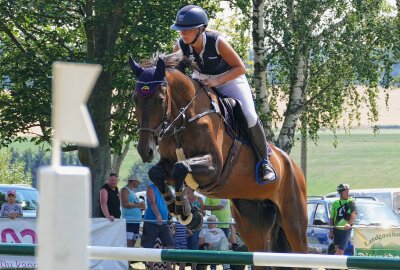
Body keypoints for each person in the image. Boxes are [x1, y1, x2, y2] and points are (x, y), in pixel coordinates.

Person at [171, 4, 276, 183]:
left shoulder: (217, 42)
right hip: (202, 81)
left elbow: (240, 68)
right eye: (180, 30)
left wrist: (216, 82)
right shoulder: (180, 46)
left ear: (200, 28)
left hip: (230, 80)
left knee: (249, 115)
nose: (183, 33)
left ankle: (264, 161)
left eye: (187, 30)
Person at [141, 183, 174, 270]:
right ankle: (151, 267)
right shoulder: (150, 187)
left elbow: (170, 201)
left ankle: (168, 266)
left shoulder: (166, 188)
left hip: (164, 222)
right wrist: (158, 215)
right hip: (151, 221)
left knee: (170, 243)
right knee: (149, 245)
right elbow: (152, 202)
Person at [329, 183, 357, 255]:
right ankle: (338, 266)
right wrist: (331, 231)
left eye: (348, 191)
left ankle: (332, 264)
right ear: (340, 193)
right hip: (336, 230)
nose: (348, 193)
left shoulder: (350, 201)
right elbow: (332, 218)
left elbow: (354, 214)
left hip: (345, 230)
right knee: (337, 250)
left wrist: (349, 223)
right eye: (345, 191)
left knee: (340, 251)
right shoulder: (335, 203)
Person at [121, 177, 146, 248]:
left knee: (134, 240)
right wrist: (138, 205)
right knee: (128, 241)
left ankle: (129, 258)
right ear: (134, 181)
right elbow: (125, 204)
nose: (139, 183)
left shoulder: (133, 192)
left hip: (136, 221)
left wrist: (140, 208)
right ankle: (126, 257)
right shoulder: (125, 190)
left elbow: (133, 204)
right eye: (138, 182)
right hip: (130, 220)